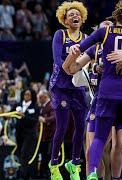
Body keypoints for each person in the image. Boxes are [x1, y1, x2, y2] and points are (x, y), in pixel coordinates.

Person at [64, 1, 122, 179]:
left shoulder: (117, 43)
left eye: (110, 25)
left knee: (119, 146)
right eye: (104, 26)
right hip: (99, 99)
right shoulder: (93, 49)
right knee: (93, 146)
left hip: (115, 94)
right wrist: (88, 68)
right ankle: (93, 175)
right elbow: (75, 72)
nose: (108, 28)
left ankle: (115, 177)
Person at [48, 1, 88, 179]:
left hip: (78, 86)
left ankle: (74, 163)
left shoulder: (87, 37)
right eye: (71, 14)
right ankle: (54, 164)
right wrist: (74, 58)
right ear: (64, 19)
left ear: (82, 17)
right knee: (62, 127)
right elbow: (58, 61)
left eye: (77, 14)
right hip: (61, 86)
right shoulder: (60, 35)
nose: (75, 16)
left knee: (81, 127)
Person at [16, 89, 39, 179]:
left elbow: (35, 121)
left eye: (28, 94)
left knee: (25, 153)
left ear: (32, 96)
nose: (26, 96)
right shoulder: (18, 105)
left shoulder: (35, 107)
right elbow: (11, 113)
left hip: (30, 135)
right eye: (25, 94)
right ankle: (23, 174)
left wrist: (24, 117)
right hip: (19, 134)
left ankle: (25, 175)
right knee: (20, 153)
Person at [37, 90, 56, 178]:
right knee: (44, 156)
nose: (39, 99)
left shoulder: (51, 105)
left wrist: (45, 120)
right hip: (45, 136)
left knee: (49, 156)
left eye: (40, 97)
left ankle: (49, 174)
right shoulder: (43, 106)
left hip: (50, 136)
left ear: (45, 96)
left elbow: (54, 117)